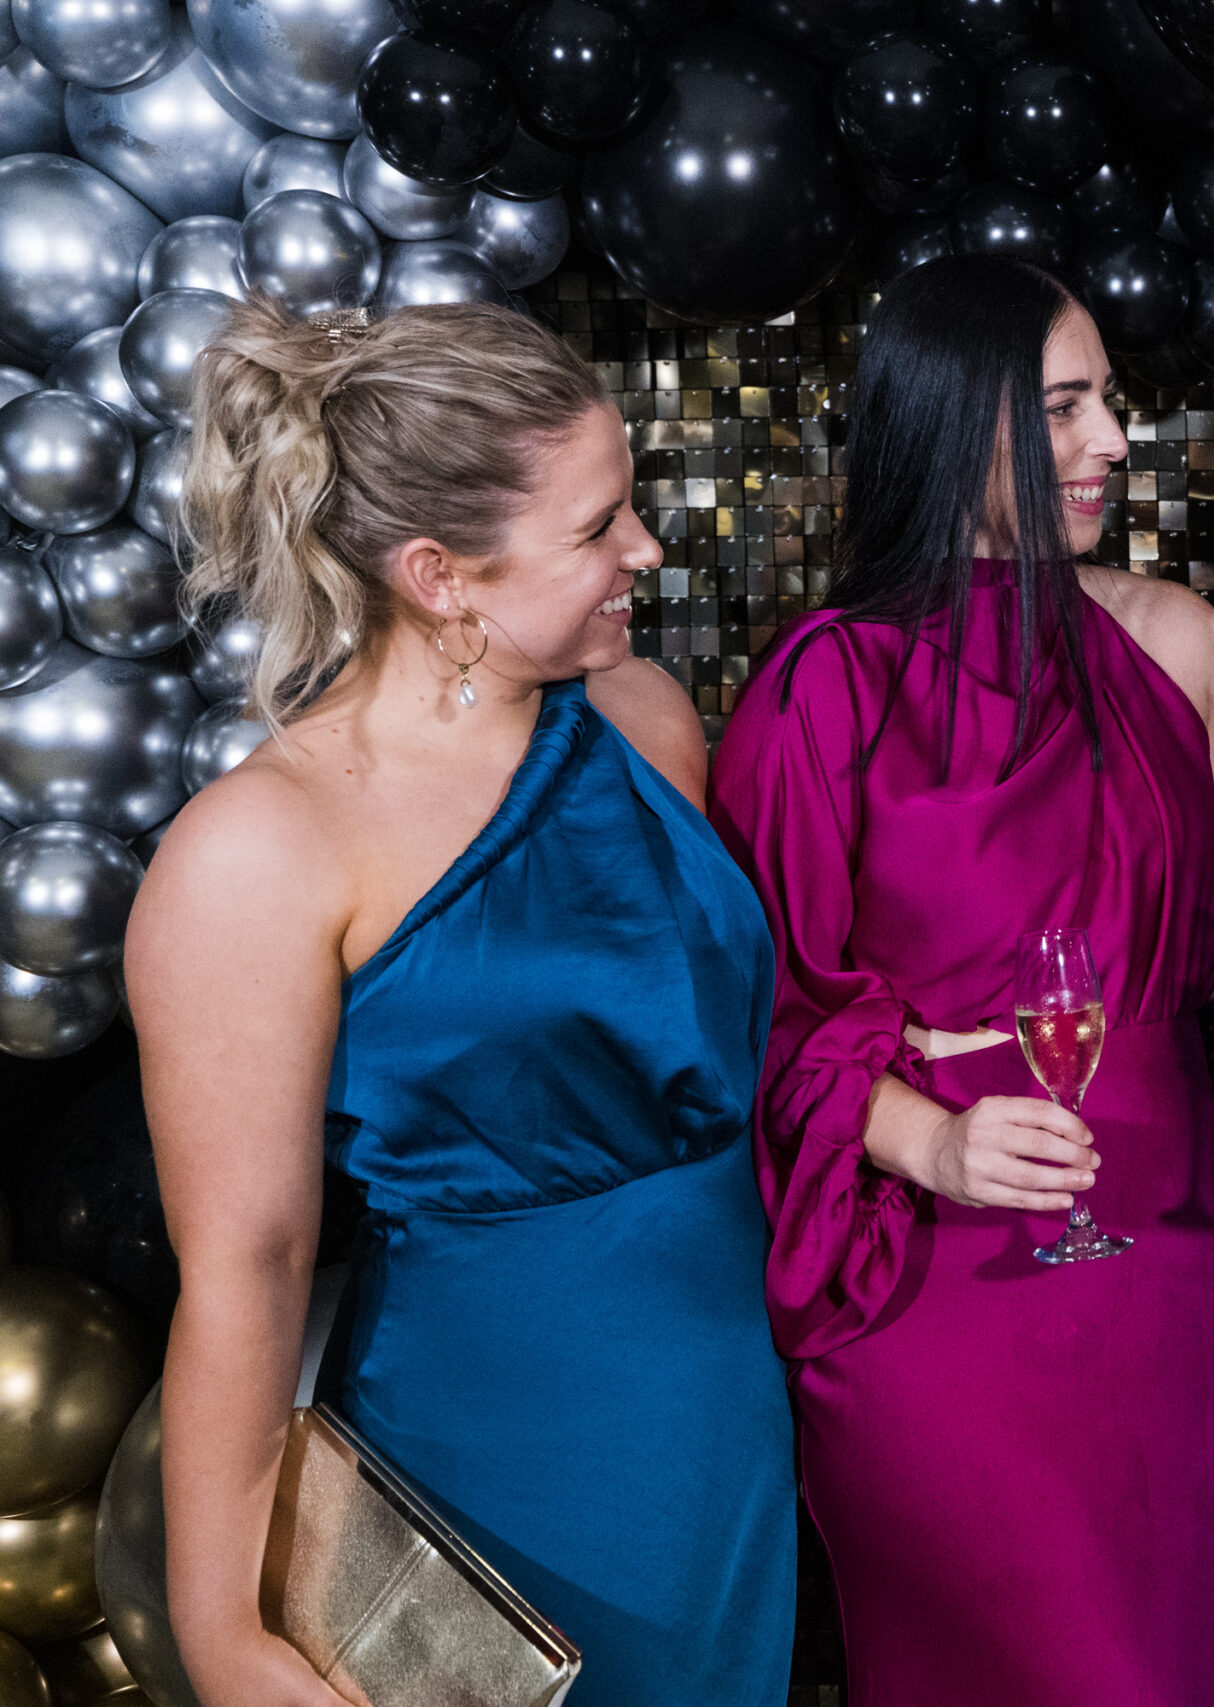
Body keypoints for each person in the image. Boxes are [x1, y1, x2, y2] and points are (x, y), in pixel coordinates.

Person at [124, 299, 797, 1707]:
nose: (645, 551)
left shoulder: (647, 724)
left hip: (726, 1436)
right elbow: (246, 1264)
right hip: (490, 1458)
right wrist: (226, 1635)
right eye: (597, 527)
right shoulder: (261, 848)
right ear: (440, 577)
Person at [706, 255, 1214, 1707]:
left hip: (1169, 1269)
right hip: (943, 1280)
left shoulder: (1169, 641)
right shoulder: (824, 686)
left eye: (1108, 402)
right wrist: (927, 1137)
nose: (1113, 441)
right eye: (1064, 406)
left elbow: (1208, 946)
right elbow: (752, 1022)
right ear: (959, 419)